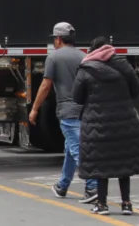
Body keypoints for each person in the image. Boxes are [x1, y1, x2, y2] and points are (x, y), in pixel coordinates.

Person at [72, 36, 139, 216]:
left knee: (101, 163)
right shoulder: (125, 66)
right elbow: (136, 91)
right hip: (124, 121)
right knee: (123, 162)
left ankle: (102, 204)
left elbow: (77, 97)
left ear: (92, 49)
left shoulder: (86, 68)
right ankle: (126, 203)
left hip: (97, 123)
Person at [30, 22, 97, 203]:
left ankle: (92, 187)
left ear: (58, 39)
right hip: (85, 108)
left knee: (77, 149)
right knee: (69, 148)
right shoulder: (84, 56)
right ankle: (62, 185)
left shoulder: (54, 58)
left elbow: (45, 85)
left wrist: (35, 109)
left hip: (68, 111)